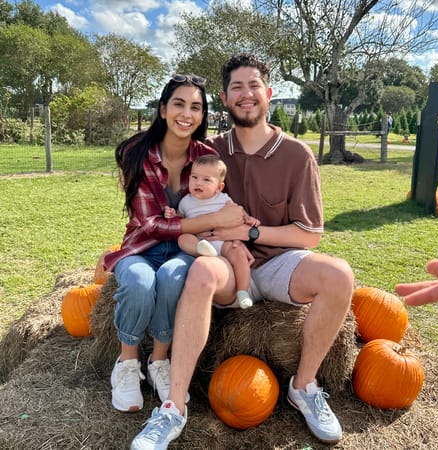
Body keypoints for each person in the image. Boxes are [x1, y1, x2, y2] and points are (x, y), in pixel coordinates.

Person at [129, 53, 354, 450]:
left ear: (269, 92)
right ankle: (173, 407)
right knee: (201, 271)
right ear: (225, 97)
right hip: (225, 263)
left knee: (339, 275)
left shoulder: (297, 155)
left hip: (280, 262)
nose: (246, 94)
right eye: (236, 87)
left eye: (254, 85)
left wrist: (249, 232)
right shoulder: (209, 151)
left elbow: (310, 235)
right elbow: (164, 165)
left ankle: (304, 387)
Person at [103, 74, 246, 422]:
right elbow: (151, 223)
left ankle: (159, 361)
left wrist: (231, 230)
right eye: (179, 104)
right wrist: (216, 220)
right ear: (164, 109)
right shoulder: (137, 153)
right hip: (142, 246)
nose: (186, 113)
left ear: (203, 116)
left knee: (172, 278)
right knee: (139, 282)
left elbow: (220, 209)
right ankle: (127, 363)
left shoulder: (206, 158)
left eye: (196, 107)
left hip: (186, 249)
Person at [164, 154, 260, 309]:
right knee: (183, 238)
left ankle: (243, 292)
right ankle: (201, 250)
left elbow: (238, 211)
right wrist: (173, 214)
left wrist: (248, 218)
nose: (198, 183)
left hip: (223, 243)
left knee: (239, 255)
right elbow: (180, 219)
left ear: (219, 187)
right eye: (194, 177)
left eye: (206, 180)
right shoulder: (186, 201)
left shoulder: (223, 199)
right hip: (200, 241)